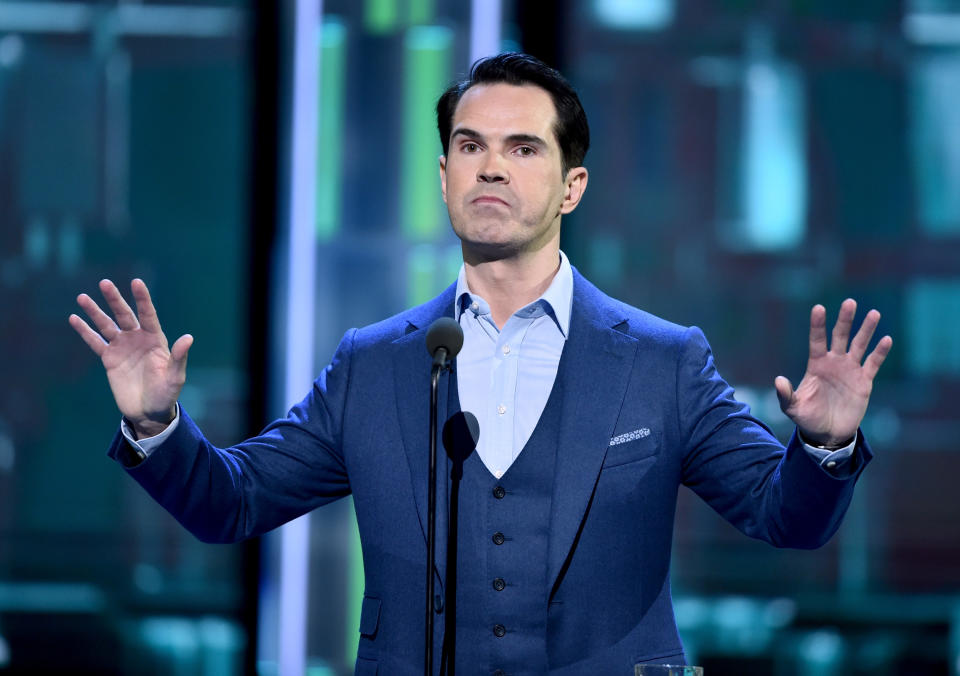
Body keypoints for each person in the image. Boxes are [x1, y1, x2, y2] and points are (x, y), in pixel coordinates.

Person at [69, 53, 892, 675]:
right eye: (470, 145)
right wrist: (154, 422)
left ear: (572, 187)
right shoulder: (373, 366)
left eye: (522, 148)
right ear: (443, 174)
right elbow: (231, 504)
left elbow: (783, 517)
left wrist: (821, 448)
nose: (491, 165)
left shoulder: (662, 360)